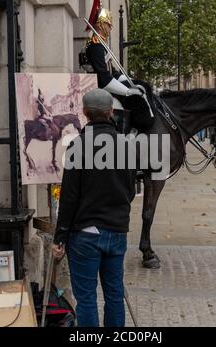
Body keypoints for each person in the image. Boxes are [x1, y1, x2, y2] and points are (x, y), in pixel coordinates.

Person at [52, 88, 136, 327]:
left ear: (85, 113)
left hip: (85, 234)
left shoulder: (77, 146)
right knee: (114, 295)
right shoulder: (126, 145)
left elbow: (69, 197)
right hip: (116, 230)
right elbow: (130, 191)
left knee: (86, 298)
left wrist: (60, 237)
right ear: (110, 112)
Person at [82, 0, 154, 132]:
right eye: (109, 24)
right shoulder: (95, 46)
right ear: (101, 24)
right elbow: (103, 78)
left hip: (107, 82)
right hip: (101, 88)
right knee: (135, 99)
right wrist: (128, 91)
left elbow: (113, 72)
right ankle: (133, 132)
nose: (111, 27)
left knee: (142, 86)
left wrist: (132, 81)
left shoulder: (101, 44)